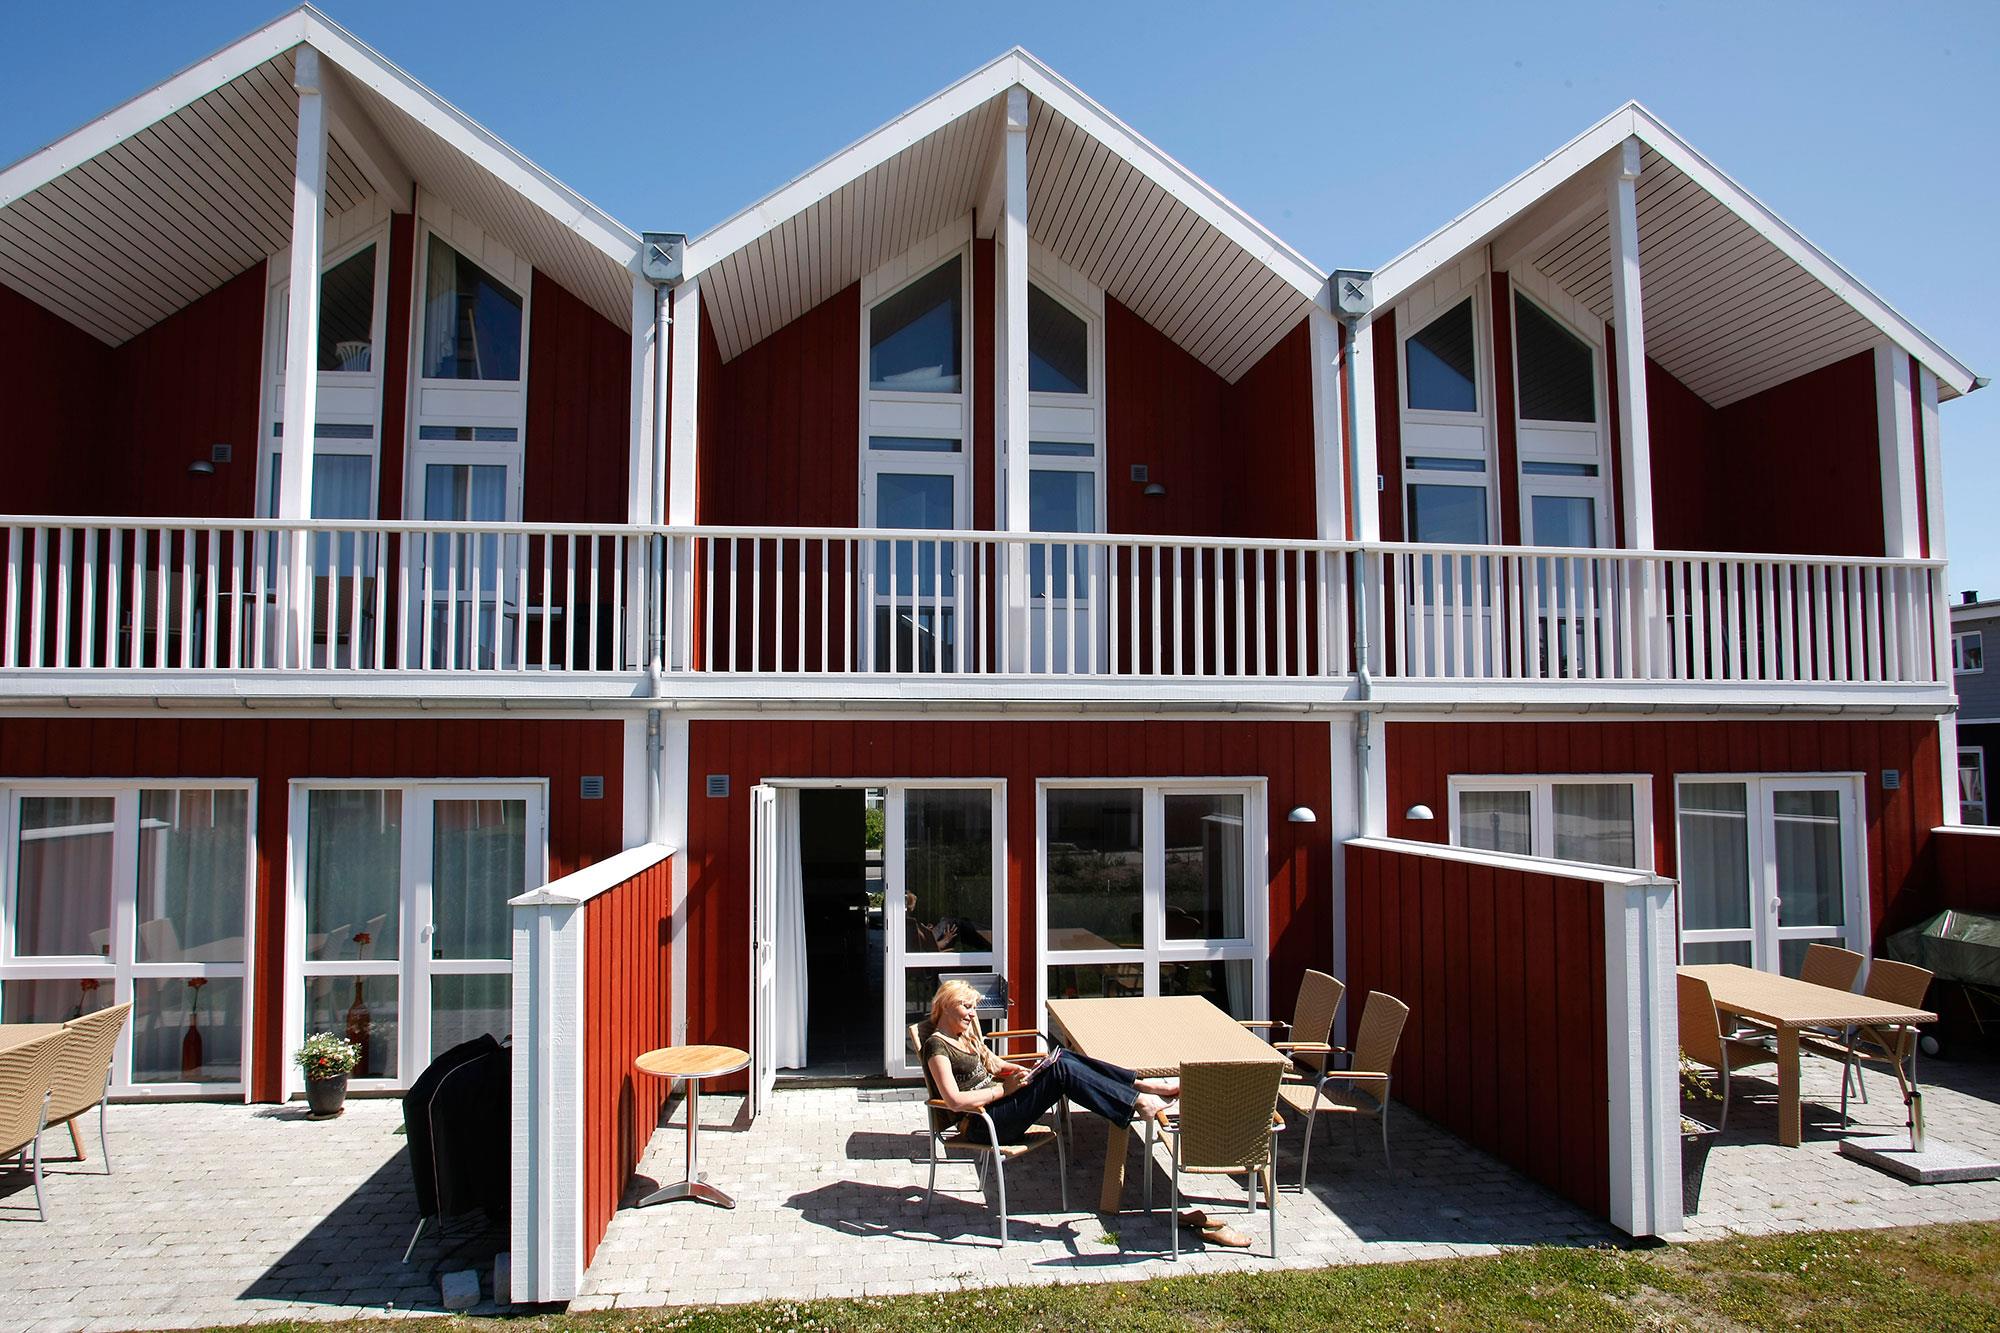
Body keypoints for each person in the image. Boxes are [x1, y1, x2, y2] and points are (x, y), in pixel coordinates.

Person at [920, 978, 1178, 1147]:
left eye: (973, 1007)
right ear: (946, 1005)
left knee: (1060, 1057)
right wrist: (1004, 1090)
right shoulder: (937, 1046)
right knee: (1062, 1070)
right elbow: (954, 1101)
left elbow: (995, 1065)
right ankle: (1139, 1102)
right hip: (982, 1124)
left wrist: (1025, 1071)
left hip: (998, 1109)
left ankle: (1139, 1086)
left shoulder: (963, 1035)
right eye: (967, 1007)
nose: (973, 1014)